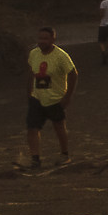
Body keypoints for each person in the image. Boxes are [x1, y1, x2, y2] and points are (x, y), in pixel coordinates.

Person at [23, 25, 78, 168]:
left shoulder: (61, 56)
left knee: (59, 126)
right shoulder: (34, 54)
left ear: (53, 39)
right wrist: (29, 91)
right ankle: (35, 158)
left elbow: (73, 74)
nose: (42, 41)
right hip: (37, 97)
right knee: (32, 128)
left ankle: (65, 155)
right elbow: (30, 72)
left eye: (45, 38)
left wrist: (68, 96)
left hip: (55, 98)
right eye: (40, 38)